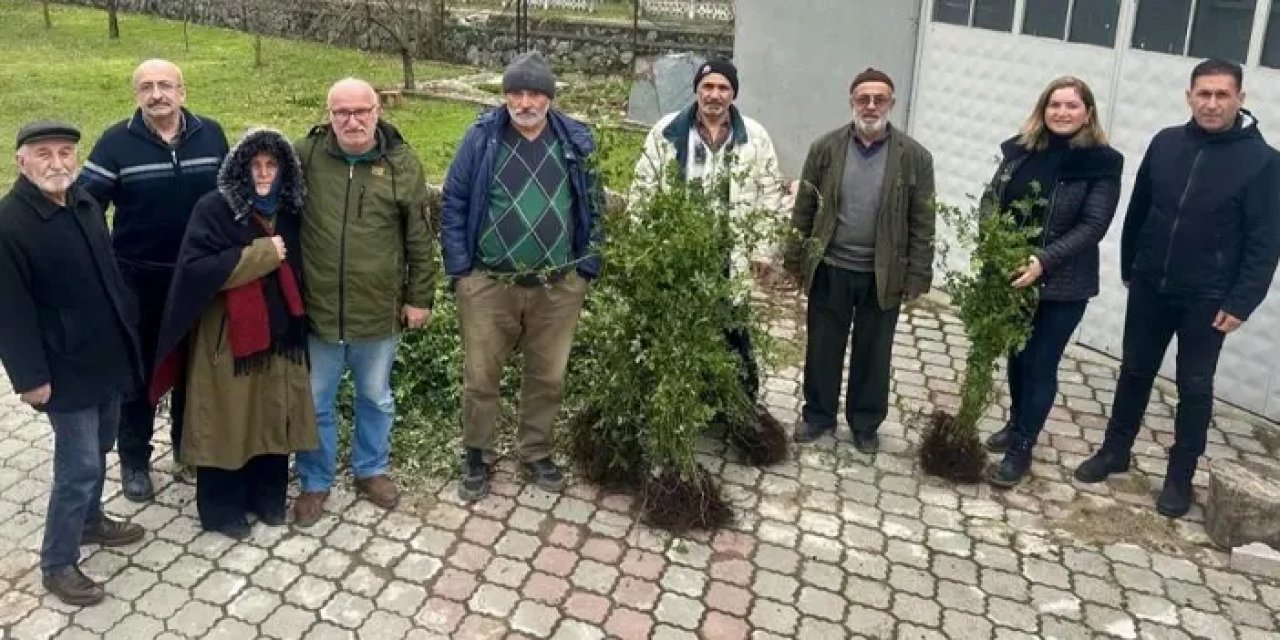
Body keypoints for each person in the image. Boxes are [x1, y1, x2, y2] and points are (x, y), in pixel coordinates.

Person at [1074, 59, 1280, 517]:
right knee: (1134, 370)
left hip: (1209, 296)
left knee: (1195, 386)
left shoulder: (1262, 162)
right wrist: (1130, 263)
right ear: (1189, 96)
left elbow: (1265, 241)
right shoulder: (1166, 143)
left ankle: (1179, 477)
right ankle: (1114, 451)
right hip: (1151, 283)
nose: (1211, 103)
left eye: (1222, 95)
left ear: (1241, 100)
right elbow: (1140, 206)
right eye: (1203, 94)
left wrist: (1242, 300)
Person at [442, 52, 602, 502]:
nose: (525, 102)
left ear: (549, 98)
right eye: (516, 92)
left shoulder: (575, 140)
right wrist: (461, 273)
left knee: (548, 375)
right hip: (490, 285)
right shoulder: (481, 137)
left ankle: (535, 451)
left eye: (534, 93)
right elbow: (454, 201)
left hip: (557, 285)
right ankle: (476, 454)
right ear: (505, 95)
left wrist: (586, 267)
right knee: (480, 376)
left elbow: (594, 205)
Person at [0, 121, 146, 606]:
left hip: (104, 353)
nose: (57, 162)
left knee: (101, 445)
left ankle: (90, 522)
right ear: (22, 161)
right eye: (44, 154)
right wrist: (30, 379)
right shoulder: (10, 224)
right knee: (78, 464)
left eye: (65, 152)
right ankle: (57, 562)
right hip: (62, 367)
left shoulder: (82, 200)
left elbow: (107, 271)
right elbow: (10, 311)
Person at [150, 128, 319, 538]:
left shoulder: (290, 210)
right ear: (239, 170)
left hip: (280, 336)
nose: (262, 174)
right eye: (254, 165)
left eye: (271, 165)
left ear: (283, 171)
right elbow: (195, 271)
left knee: (272, 416)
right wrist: (263, 254)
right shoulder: (214, 208)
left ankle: (267, 498)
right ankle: (221, 510)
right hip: (227, 341)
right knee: (227, 420)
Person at [77, 59, 230, 502]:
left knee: (196, 366)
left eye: (166, 85)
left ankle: (190, 448)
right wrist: (103, 263)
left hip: (199, 275)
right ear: (136, 95)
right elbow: (87, 205)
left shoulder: (212, 134)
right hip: (137, 279)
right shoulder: (115, 142)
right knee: (138, 373)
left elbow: (230, 194)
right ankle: (135, 461)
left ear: (183, 90)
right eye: (147, 86)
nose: (157, 93)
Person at [293, 78, 437, 526]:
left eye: (361, 111)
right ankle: (315, 481)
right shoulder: (306, 156)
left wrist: (419, 298)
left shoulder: (401, 163)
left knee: (376, 398)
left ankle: (370, 469)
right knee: (315, 402)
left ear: (378, 111)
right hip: (318, 311)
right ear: (328, 114)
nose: (352, 121)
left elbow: (419, 238)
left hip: (378, 312)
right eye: (341, 113)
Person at [977, 77, 1124, 488]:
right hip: (1012, 275)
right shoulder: (1022, 151)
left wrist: (1042, 260)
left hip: (1063, 284)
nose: (1062, 112)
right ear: (1043, 110)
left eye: (1072, 106)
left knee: (1041, 363)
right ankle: (1015, 421)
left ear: (1088, 113)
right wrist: (994, 244)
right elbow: (993, 197)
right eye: (1054, 105)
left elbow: (1093, 225)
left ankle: (1022, 447)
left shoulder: (1102, 163)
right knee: (1017, 356)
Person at [789, 68, 936, 454]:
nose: (871, 106)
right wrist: (794, 258)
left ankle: (865, 423)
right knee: (822, 347)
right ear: (851, 101)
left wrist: (918, 274)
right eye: (863, 98)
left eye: (879, 98)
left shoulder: (915, 157)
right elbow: (804, 205)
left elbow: (923, 219)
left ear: (891, 103)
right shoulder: (825, 148)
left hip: (881, 274)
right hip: (831, 267)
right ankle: (818, 415)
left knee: (874, 352)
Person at [628, 58, 786, 403]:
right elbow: (642, 189)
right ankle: (678, 401)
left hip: (730, 255)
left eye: (723, 88)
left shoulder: (754, 137)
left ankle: (738, 405)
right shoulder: (667, 131)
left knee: (732, 331)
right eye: (708, 87)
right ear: (697, 90)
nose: (714, 95)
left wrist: (761, 249)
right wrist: (649, 245)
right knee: (677, 327)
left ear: (733, 94)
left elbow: (770, 196)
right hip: (679, 252)